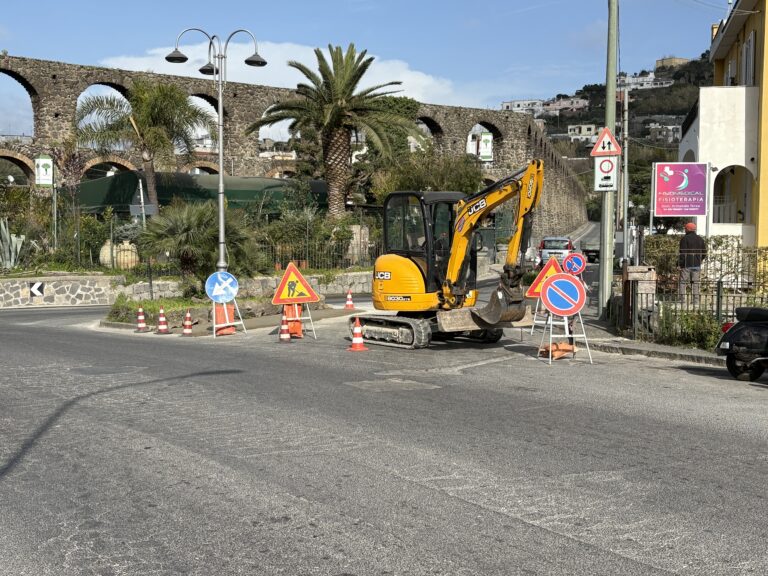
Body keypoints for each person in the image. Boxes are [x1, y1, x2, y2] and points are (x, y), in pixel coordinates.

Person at [678, 222, 707, 304]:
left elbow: (683, 253)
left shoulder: (684, 239)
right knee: (695, 283)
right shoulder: (700, 239)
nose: (684, 230)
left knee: (682, 282)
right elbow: (704, 252)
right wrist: (699, 260)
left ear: (688, 229)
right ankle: (695, 301)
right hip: (696, 264)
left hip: (686, 264)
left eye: (685, 228)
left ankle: (682, 300)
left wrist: (680, 263)